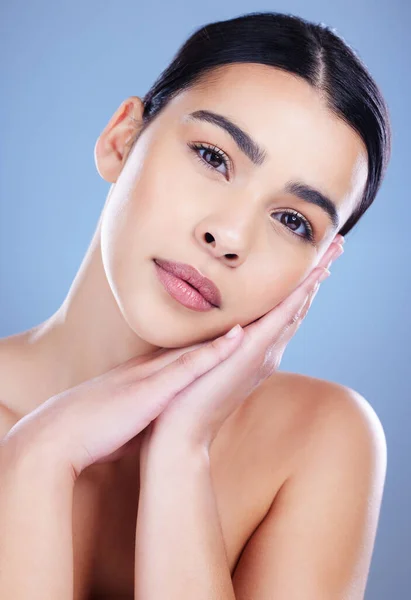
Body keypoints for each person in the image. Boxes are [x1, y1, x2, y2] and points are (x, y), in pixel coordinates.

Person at [0, 10, 391, 600]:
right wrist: (37, 456)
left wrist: (182, 452)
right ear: (121, 140)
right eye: (213, 157)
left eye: (292, 220)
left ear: (317, 268)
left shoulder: (318, 438)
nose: (229, 236)